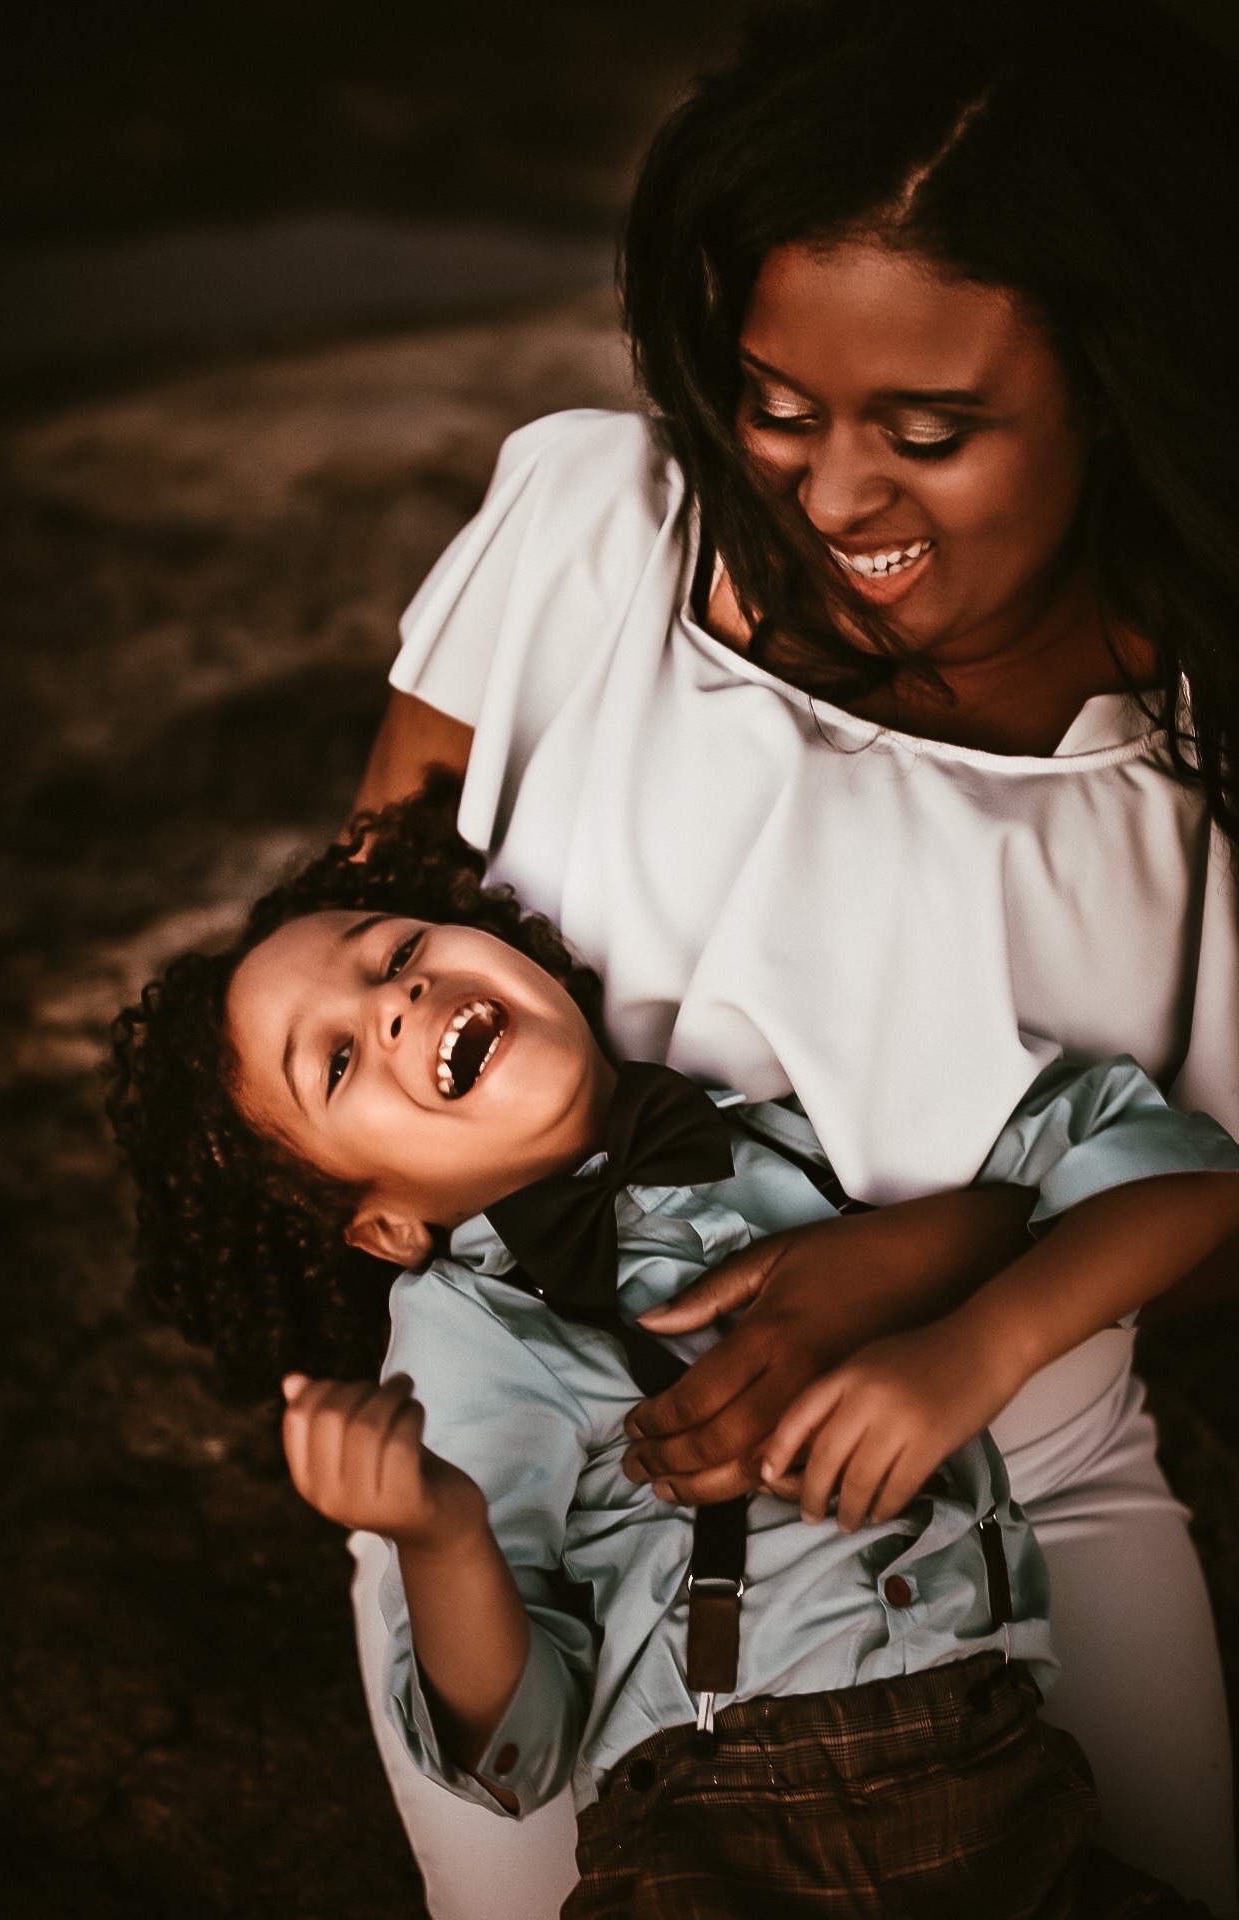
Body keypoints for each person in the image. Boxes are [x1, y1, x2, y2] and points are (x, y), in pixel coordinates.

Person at [345, 2, 1239, 1911]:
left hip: (1021, 1495)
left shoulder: (1198, 751)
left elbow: (1193, 1163)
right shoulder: (594, 526)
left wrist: (920, 1287)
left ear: (1119, 381)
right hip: (557, 1528)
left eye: (931, 433)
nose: (834, 497)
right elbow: (370, 874)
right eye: (777, 407)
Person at [108, 786, 1239, 1916]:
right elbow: (519, 1750)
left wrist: (975, 1350)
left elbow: (1184, 1174)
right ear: (384, 1226)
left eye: (392, 951)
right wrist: (439, 1534)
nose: (393, 1001)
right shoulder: (463, 1333)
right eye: (338, 1062)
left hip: (1002, 1780)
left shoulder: (800, 1119)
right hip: (713, 1836)